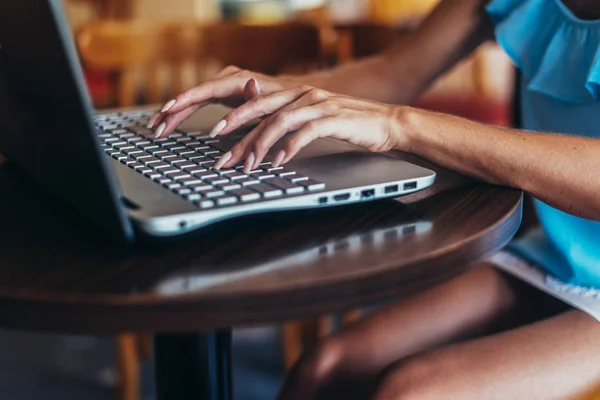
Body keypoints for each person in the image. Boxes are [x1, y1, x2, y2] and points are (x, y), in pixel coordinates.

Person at [150, 0, 600, 398]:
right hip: (561, 256)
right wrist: (278, 92)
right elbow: (392, 73)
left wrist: (402, 125)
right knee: (325, 366)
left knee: (410, 392)